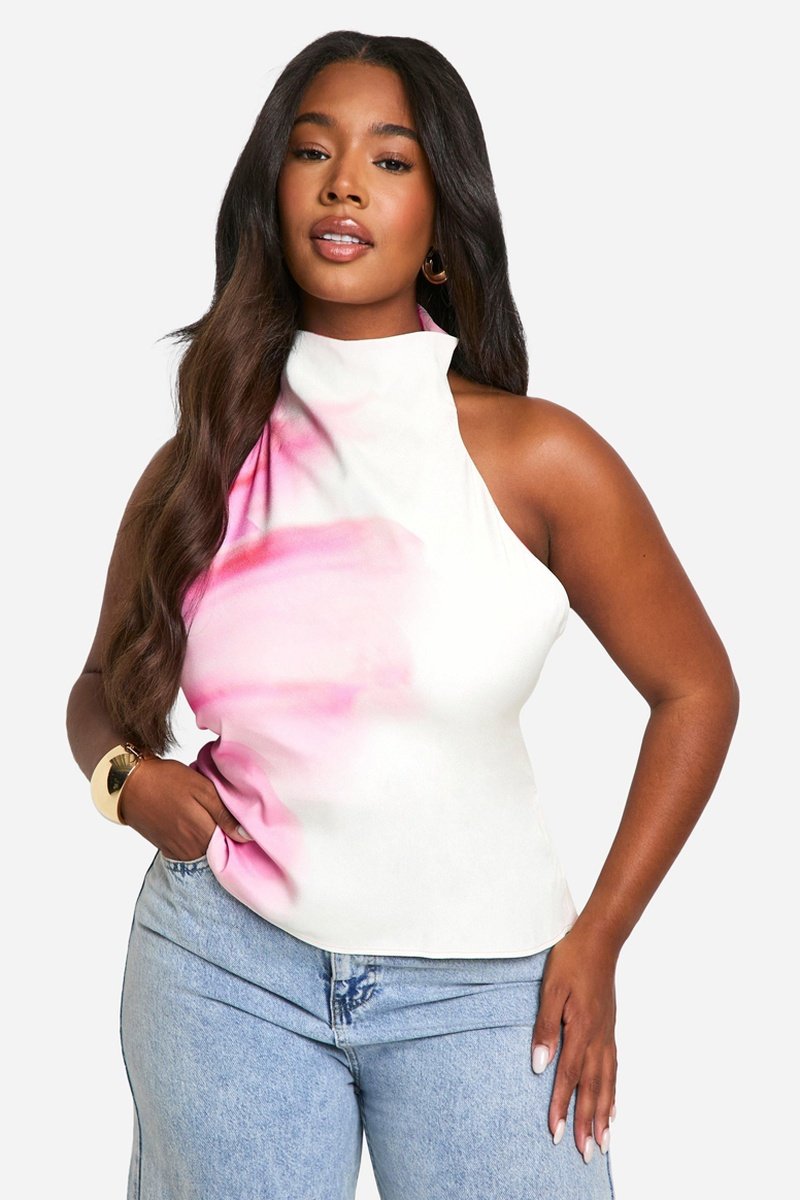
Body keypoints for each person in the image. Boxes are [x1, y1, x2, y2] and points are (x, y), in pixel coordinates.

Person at [66, 29, 739, 1200]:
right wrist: (127, 783)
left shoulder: (537, 458)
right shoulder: (200, 463)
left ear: (439, 225)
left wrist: (598, 939)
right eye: (311, 152)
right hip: (224, 969)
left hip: (488, 990)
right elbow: (97, 692)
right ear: (271, 196)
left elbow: (695, 691)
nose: (343, 185)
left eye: (388, 160)